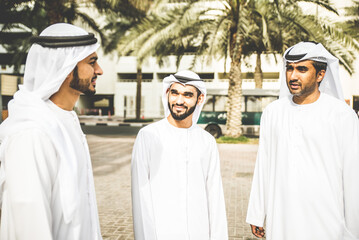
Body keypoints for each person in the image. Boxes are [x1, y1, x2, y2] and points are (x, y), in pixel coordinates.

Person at [246, 41, 359, 239]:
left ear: (320, 75)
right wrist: (256, 212)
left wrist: (354, 229)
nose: (293, 75)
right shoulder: (273, 112)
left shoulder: (341, 115)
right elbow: (264, 164)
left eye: (302, 69)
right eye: (289, 68)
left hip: (327, 222)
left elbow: (353, 177)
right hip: (281, 218)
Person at [0, 23, 103, 239]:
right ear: (65, 68)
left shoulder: (66, 119)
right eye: (92, 62)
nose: (99, 70)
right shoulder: (32, 133)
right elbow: (30, 225)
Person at [131, 70, 228, 240]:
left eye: (187, 95)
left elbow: (215, 197)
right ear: (167, 94)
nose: (179, 101)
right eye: (174, 93)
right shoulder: (148, 136)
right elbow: (140, 199)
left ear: (199, 99)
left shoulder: (207, 141)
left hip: (200, 233)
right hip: (161, 233)